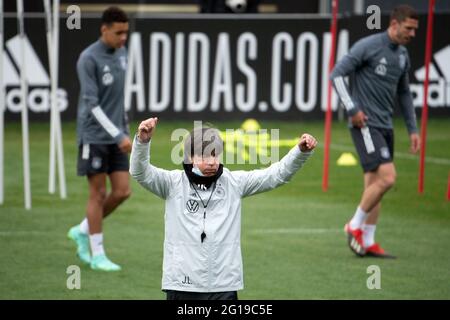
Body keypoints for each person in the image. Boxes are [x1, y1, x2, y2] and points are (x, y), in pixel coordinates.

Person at [130, 118, 317, 300]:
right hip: (182, 283)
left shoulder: (233, 183)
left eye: (215, 154)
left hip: (224, 285)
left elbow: (275, 175)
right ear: (190, 157)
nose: (211, 162)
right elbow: (140, 172)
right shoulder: (173, 183)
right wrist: (142, 142)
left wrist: (299, 152)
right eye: (204, 156)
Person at [330, 5, 420, 258]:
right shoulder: (368, 45)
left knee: (374, 184)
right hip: (365, 124)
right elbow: (336, 75)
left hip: (386, 126)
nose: (413, 34)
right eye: (408, 28)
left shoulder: (402, 55)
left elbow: (404, 93)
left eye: (415, 29)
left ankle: (368, 241)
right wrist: (352, 109)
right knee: (388, 178)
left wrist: (412, 128)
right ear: (394, 25)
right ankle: (354, 225)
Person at [68, 7, 132, 271]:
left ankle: (82, 230)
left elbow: (118, 99)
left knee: (122, 191)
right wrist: (117, 134)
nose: (123, 38)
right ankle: (97, 255)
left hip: (117, 135)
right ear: (104, 29)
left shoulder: (122, 54)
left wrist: (124, 128)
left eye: (126, 33)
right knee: (98, 193)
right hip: (94, 135)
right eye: (118, 33)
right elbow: (92, 104)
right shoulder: (88, 58)